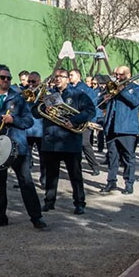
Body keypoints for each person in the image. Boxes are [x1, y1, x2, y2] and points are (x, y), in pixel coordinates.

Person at [0, 64, 46, 229]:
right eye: (2, 77)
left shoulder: (18, 98)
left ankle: (36, 217)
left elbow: (28, 121)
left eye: (8, 78)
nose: (6, 80)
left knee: (26, 182)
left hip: (18, 147)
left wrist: (14, 120)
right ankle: (0, 217)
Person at [34, 68, 94, 215]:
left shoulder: (78, 94)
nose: (58, 79)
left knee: (75, 175)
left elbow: (90, 111)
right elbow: (35, 112)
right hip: (51, 140)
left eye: (61, 76)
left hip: (70, 141)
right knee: (51, 175)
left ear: (68, 79)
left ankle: (79, 203)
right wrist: (44, 109)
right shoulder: (48, 95)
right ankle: (49, 201)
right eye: (56, 76)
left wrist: (74, 120)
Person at [99, 66, 139, 195]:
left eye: (121, 74)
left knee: (128, 158)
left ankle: (129, 183)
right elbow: (101, 104)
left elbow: (135, 102)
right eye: (116, 74)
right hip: (111, 127)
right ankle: (111, 181)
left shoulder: (136, 88)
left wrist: (121, 90)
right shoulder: (111, 87)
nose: (118, 77)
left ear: (128, 75)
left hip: (127, 128)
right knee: (112, 157)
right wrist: (104, 99)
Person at [68, 69, 101, 176]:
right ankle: (75, 167)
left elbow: (92, 106)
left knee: (84, 143)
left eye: (72, 75)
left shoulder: (86, 90)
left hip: (84, 121)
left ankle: (94, 166)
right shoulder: (68, 88)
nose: (69, 77)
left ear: (78, 76)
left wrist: (90, 120)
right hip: (70, 120)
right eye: (69, 75)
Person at [24, 72, 45, 186]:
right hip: (27, 130)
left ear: (39, 81)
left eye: (33, 81)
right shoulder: (24, 93)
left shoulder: (46, 93)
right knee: (25, 157)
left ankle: (44, 179)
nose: (31, 84)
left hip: (41, 130)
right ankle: (25, 179)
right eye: (29, 81)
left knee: (43, 158)